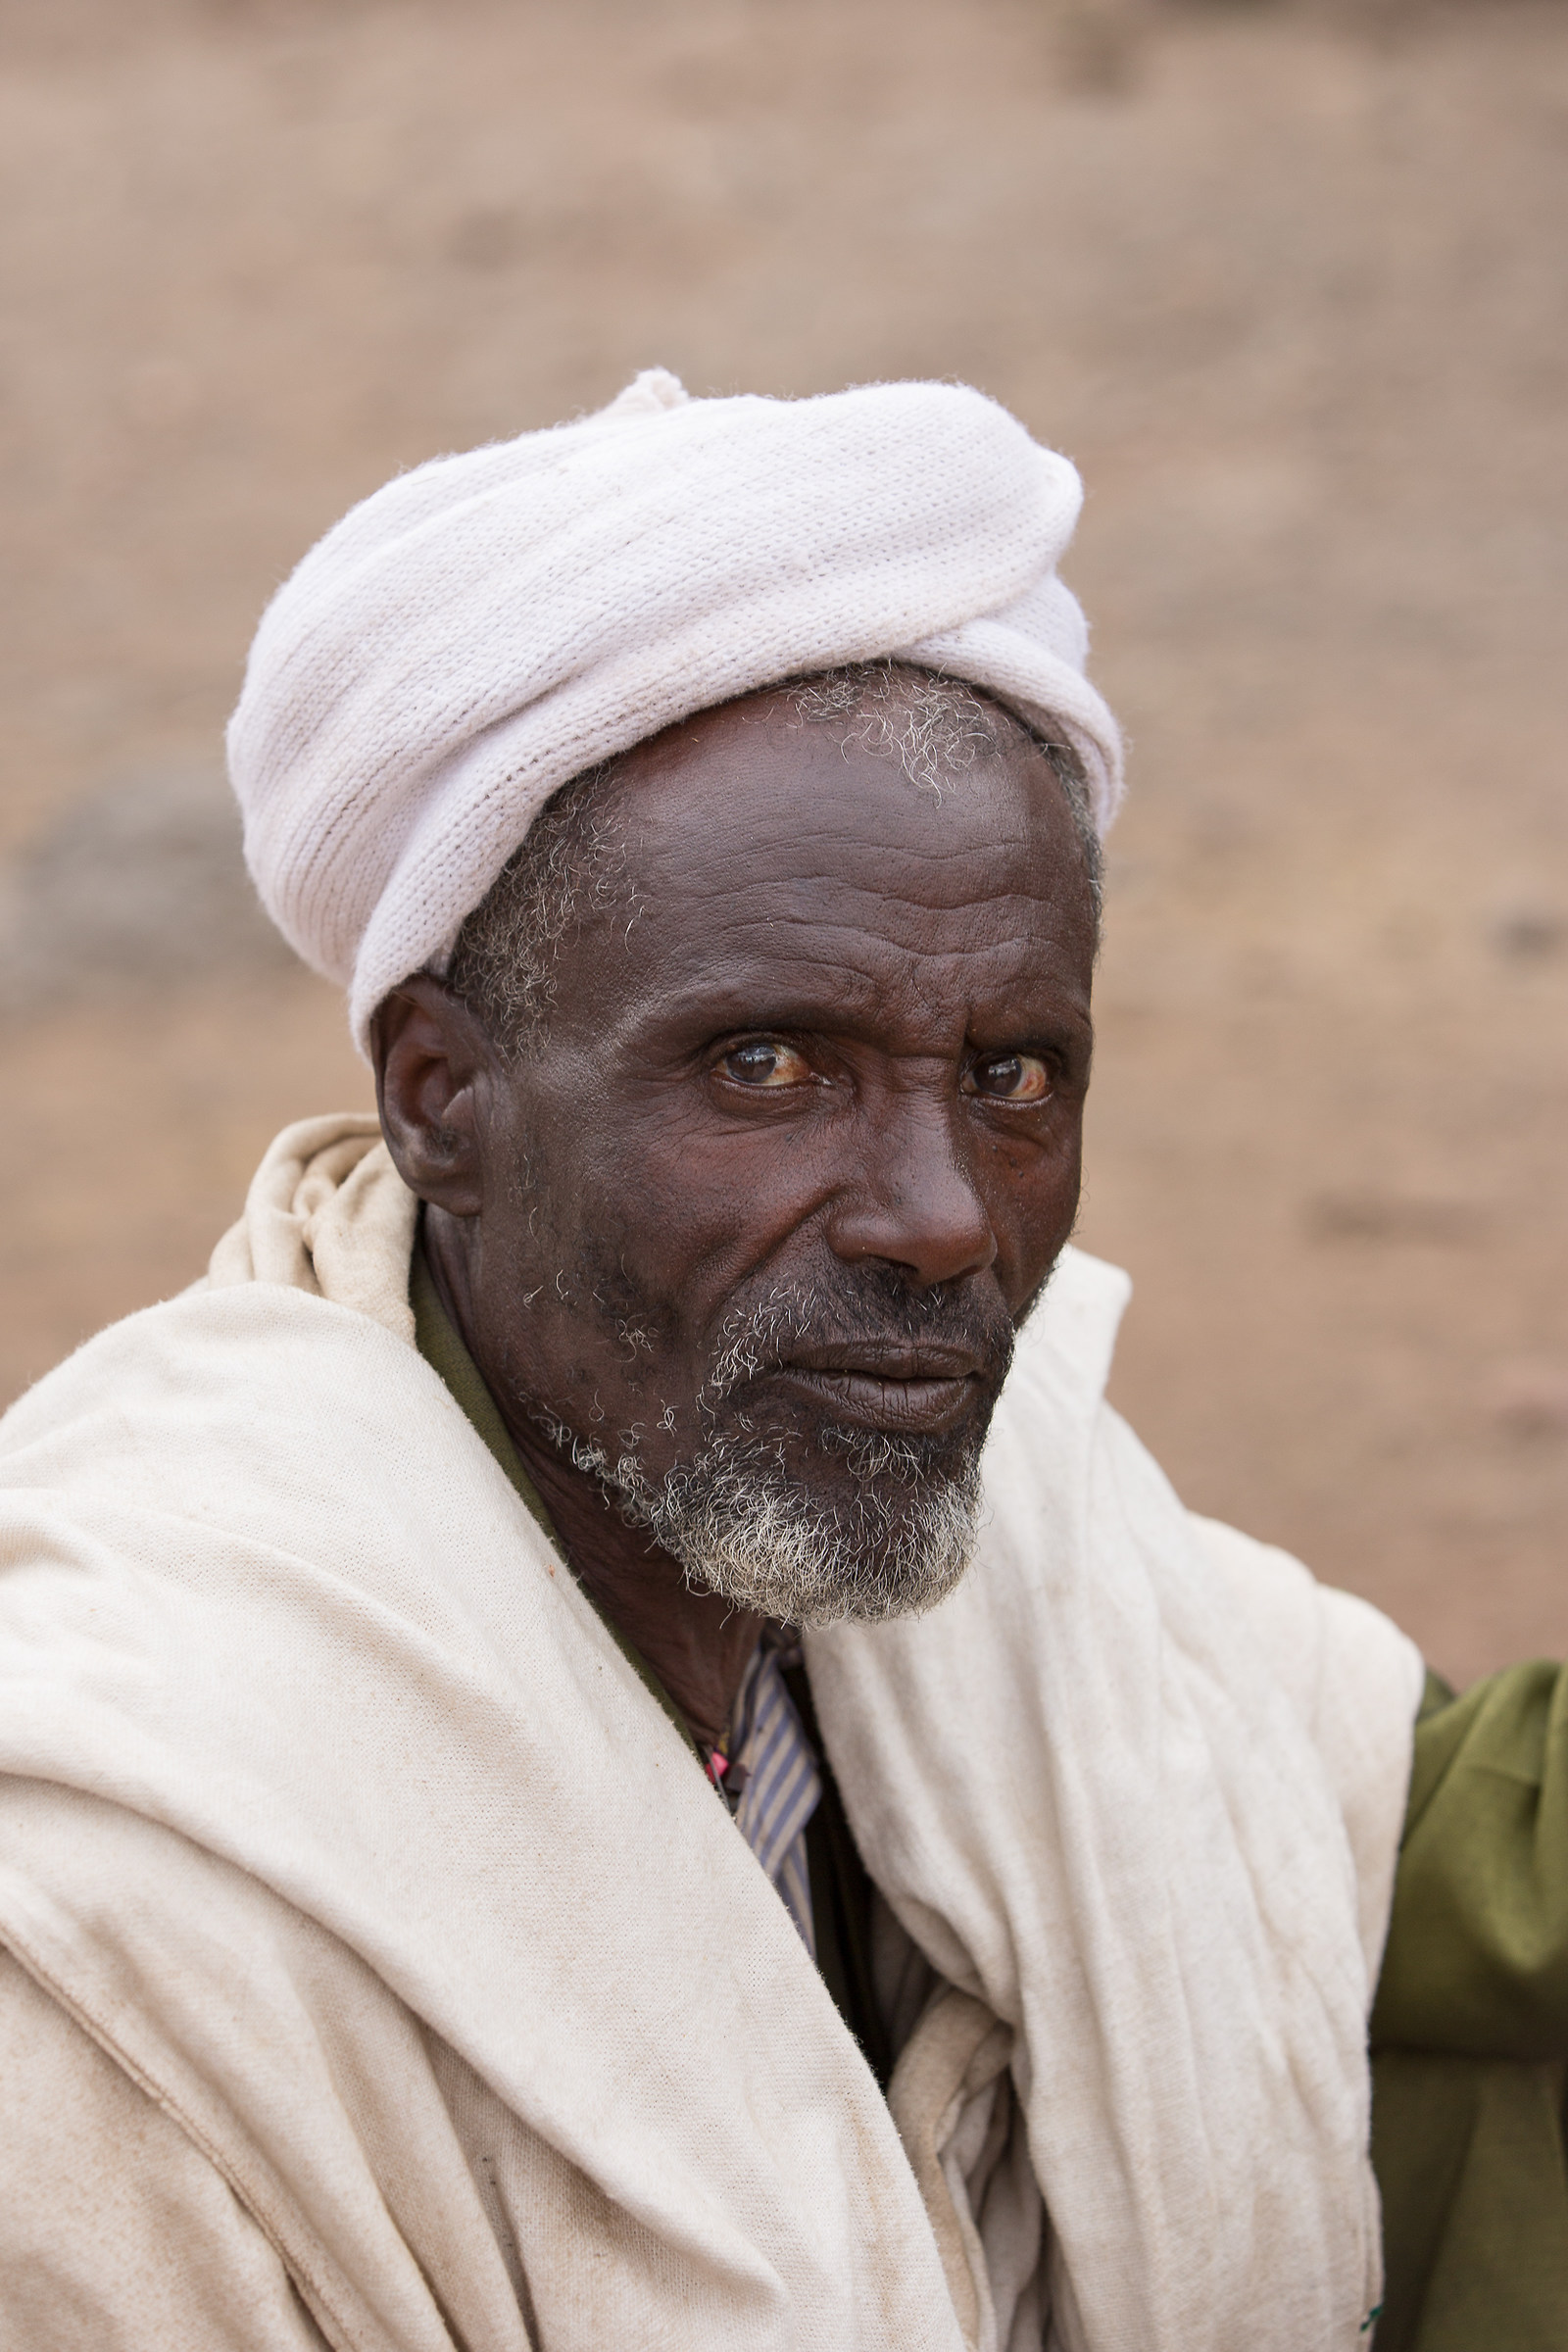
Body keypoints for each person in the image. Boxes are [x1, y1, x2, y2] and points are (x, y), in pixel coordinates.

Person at [0, 370, 1560, 2352]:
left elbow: (1436, 1845)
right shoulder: (120, 1889)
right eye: (765, 1066)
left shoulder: (1040, 1554)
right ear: (441, 1101)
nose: (942, 1217)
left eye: (1011, 1075)